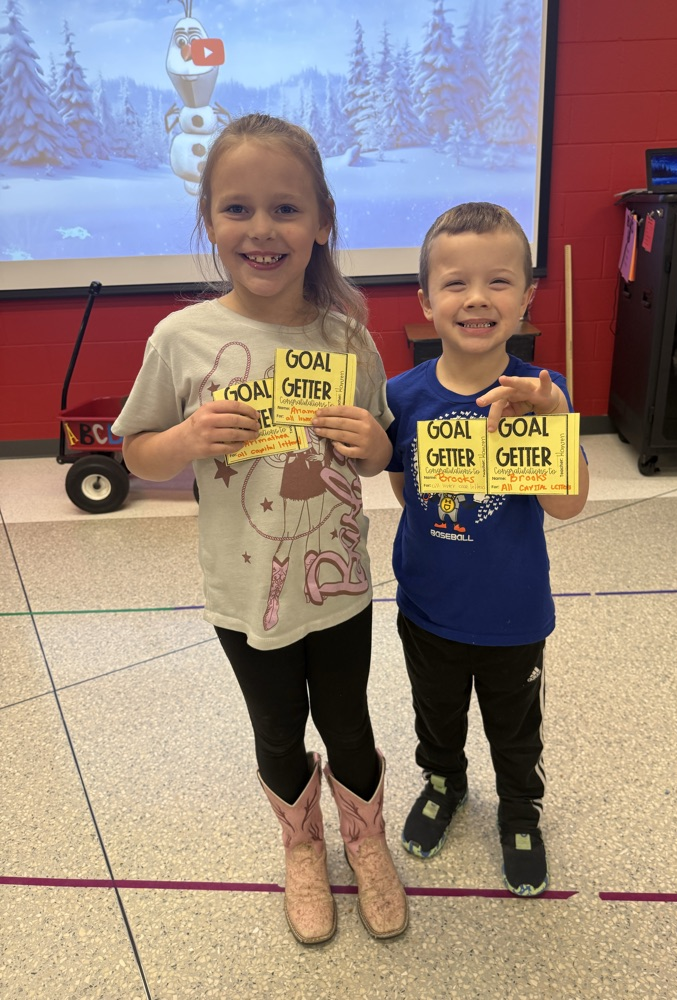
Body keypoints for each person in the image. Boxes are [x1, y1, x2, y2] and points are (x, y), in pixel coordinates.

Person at [112, 114, 408, 944]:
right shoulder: (181, 338)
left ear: (322, 222)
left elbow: (381, 450)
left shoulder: (346, 335)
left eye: (286, 208)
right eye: (237, 208)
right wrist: (184, 439)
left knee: (348, 722)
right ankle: (302, 847)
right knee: (276, 727)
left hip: (339, 583)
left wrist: (373, 441)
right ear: (209, 221)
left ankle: (366, 840)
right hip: (245, 590)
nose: (262, 229)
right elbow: (135, 451)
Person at [385, 202, 589, 896]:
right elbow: (404, 487)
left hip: (513, 615)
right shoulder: (402, 396)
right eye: (456, 283)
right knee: (435, 716)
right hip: (428, 609)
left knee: (516, 728)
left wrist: (553, 422)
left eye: (498, 281)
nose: (476, 298)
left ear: (527, 295)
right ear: (426, 301)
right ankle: (444, 783)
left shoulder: (544, 393)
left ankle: (520, 810)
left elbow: (567, 505)